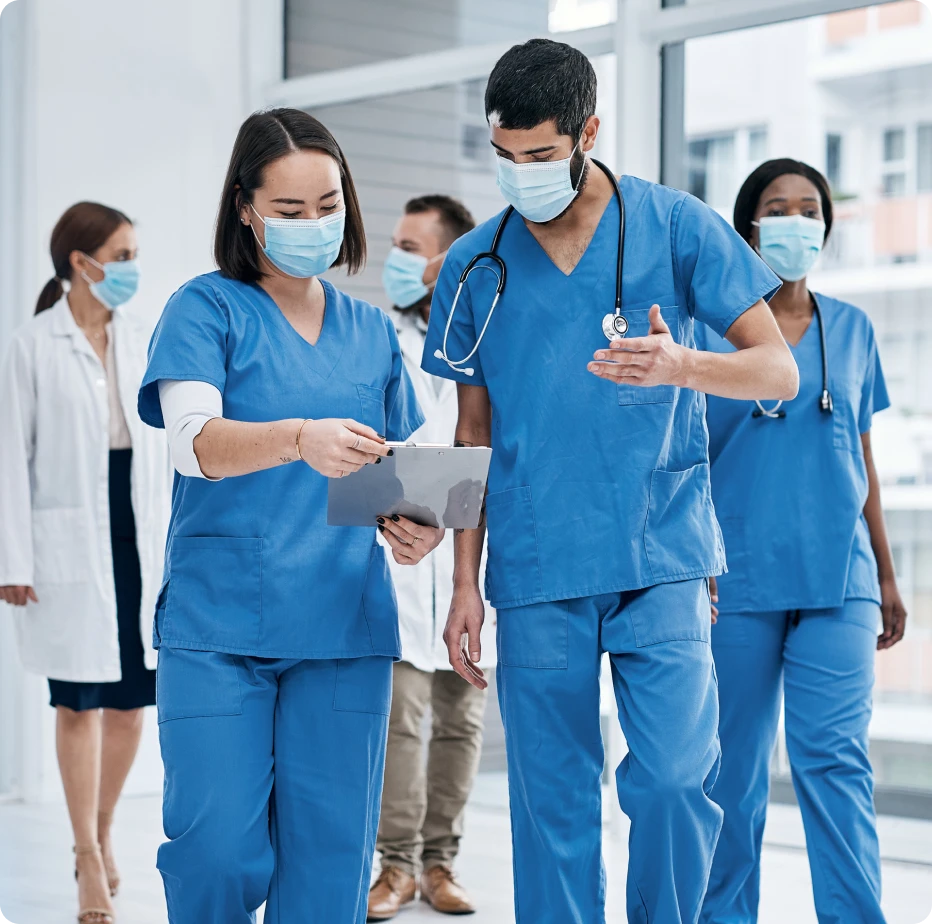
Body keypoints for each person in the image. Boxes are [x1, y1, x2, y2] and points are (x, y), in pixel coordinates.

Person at [421, 39, 800, 924]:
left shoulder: (674, 225)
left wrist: (681, 367)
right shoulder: (477, 264)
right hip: (536, 558)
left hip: (659, 549)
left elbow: (776, 371)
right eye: (505, 156)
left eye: (542, 155)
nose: (522, 174)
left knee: (673, 781)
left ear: (588, 131)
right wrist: (463, 584)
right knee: (551, 808)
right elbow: (469, 431)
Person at [136, 108, 444, 924]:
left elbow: (401, 478)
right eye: (290, 210)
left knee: (330, 864)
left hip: (343, 628)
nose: (315, 225)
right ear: (245, 208)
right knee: (215, 853)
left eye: (328, 205)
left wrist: (416, 527)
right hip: (219, 627)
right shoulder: (204, 310)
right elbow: (192, 444)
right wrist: (297, 438)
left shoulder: (371, 333)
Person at [698, 159, 907, 924]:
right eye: (776, 208)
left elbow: (861, 454)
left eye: (808, 208)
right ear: (748, 223)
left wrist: (885, 573)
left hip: (840, 579)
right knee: (732, 777)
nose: (794, 222)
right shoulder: (707, 332)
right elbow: (683, 456)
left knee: (835, 764)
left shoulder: (851, 328)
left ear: (824, 223)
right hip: (735, 580)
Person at [0, 201, 171, 924]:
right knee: (78, 701)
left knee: (132, 703)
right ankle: (86, 855)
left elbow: (165, 447)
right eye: (122, 255)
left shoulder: (142, 339)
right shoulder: (31, 344)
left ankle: (102, 827)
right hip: (70, 531)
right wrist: (13, 556)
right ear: (81, 261)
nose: (133, 269)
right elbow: (10, 456)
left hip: (139, 525)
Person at [368, 195, 494, 920]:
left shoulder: (485, 344)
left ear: (447, 261)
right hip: (400, 560)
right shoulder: (380, 339)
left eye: (410, 246)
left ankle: (442, 862)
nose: (396, 260)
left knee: (461, 720)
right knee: (402, 718)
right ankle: (396, 867)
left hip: (471, 565)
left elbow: (492, 449)